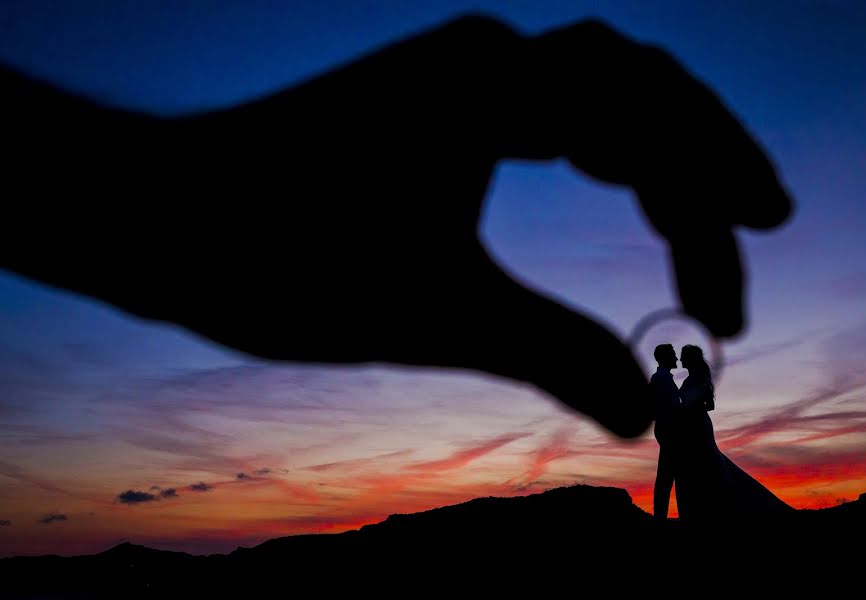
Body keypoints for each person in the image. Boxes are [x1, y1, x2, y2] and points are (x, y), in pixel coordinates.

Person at [0, 15, 792, 439]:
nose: (677, 353)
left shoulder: (689, 384)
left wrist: (151, 204)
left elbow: (705, 409)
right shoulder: (672, 377)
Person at [675, 344, 793, 526]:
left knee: (706, 462)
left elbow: (696, 405)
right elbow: (710, 406)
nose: (681, 359)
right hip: (699, 423)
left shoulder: (697, 379)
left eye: (683, 356)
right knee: (705, 463)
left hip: (697, 425)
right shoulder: (699, 378)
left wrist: (688, 409)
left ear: (690, 358)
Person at [649, 343, 681, 523]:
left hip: (669, 430)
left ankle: (660, 516)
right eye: (673, 355)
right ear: (664, 357)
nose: (676, 358)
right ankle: (660, 518)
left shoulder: (664, 377)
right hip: (668, 431)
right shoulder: (660, 378)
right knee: (665, 475)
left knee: (668, 474)